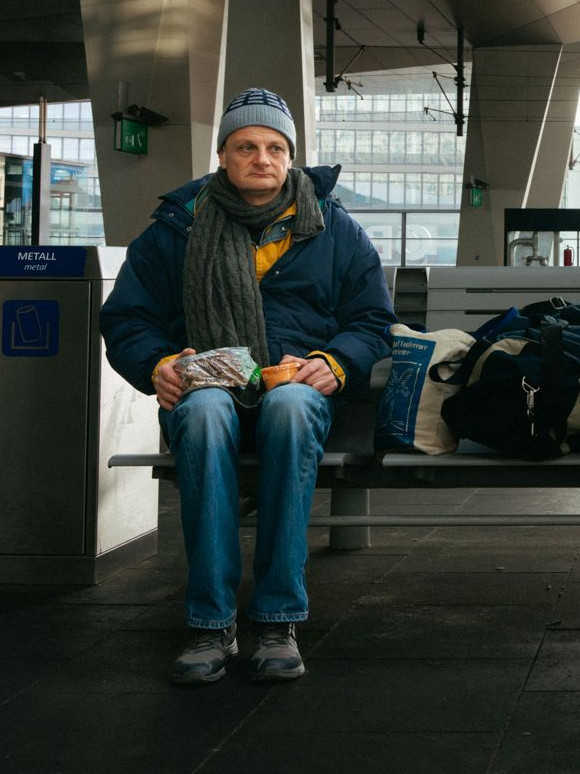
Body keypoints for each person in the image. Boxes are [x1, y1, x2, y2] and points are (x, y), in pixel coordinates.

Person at [100, 86, 396, 685]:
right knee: (206, 412)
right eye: (246, 146)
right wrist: (157, 362)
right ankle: (210, 623)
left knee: (290, 407)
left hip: (297, 392)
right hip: (209, 388)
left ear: (291, 156)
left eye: (274, 147)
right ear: (222, 156)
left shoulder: (332, 227)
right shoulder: (176, 228)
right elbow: (128, 319)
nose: (262, 158)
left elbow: (372, 321)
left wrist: (335, 363)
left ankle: (277, 618)